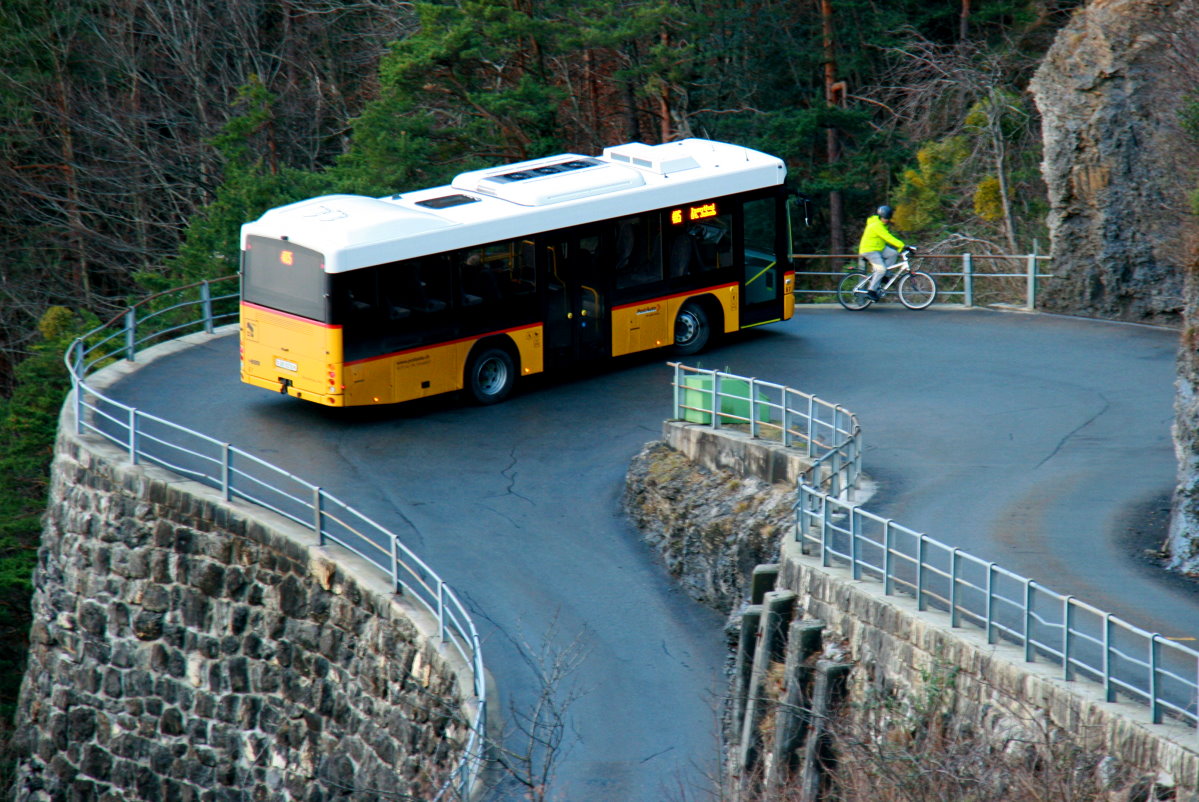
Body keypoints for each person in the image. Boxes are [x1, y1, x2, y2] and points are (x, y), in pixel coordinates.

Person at [857, 205, 906, 300]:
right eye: (885, 218)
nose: (886, 220)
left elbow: (886, 238)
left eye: (887, 218)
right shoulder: (876, 225)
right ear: (880, 217)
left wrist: (901, 247)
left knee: (893, 253)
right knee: (881, 270)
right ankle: (871, 291)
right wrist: (902, 245)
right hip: (869, 250)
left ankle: (884, 275)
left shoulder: (881, 224)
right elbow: (887, 237)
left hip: (879, 248)